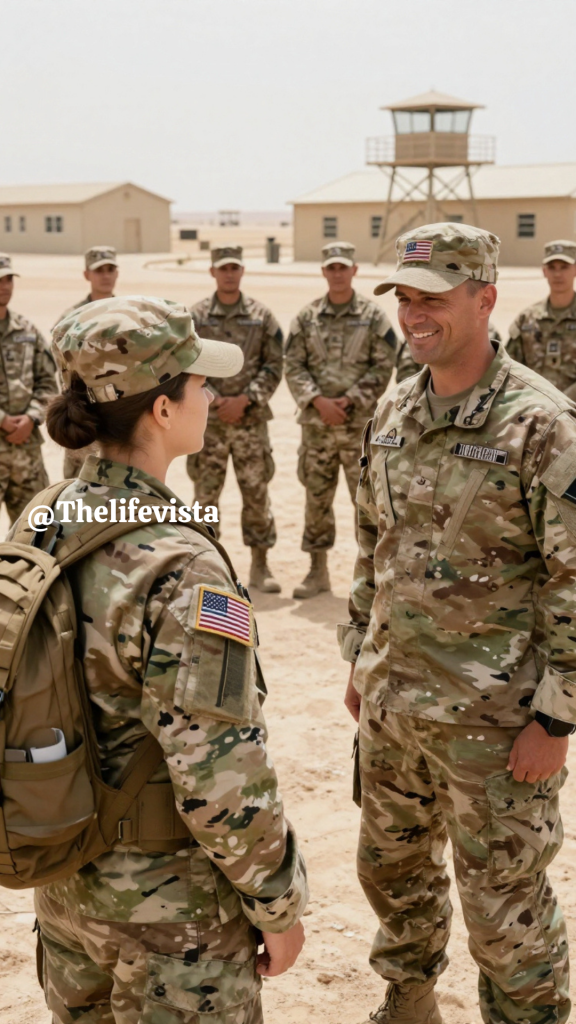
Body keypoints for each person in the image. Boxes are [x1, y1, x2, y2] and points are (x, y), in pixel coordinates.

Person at [33, 295, 307, 1024]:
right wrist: (277, 905)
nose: (210, 397)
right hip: (172, 921)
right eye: (200, 384)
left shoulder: (44, 520)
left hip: (64, 885)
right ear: (161, 409)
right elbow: (219, 770)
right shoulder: (181, 565)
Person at [340, 223, 574, 1024]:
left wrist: (556, 718)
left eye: (433, 299)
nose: (414, 315)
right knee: (393, 880)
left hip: (496, 727)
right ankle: (409, 1005)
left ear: (484, 299)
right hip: (392, 710)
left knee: (505, 912)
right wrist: (358, 657)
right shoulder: (394, 407)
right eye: (405, 298)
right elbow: (373, 544)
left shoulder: (541, 423)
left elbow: (574, 579)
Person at [285, 241, 397, 599]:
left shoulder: (373, 316)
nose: (337, 273)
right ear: (324, 271)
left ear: (354, 270)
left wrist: (349, 401)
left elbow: (384, 365)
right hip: (317, 428)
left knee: (366, 505)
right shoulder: (306, 318)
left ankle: (370, 579)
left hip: (357, 428)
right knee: (316, 499)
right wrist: (318, 401)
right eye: (331, 267)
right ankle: (317, 572)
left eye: (343, 267)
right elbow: (293, 365)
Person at [187, 246, 284, 593]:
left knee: (256, 495)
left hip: (250, 422)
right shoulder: (195, 317)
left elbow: (274, 363)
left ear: (242, 271)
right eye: (223, 268)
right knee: (205, 499)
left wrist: (247, 398)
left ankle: (260, 565)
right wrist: (213, 397)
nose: (229, 274)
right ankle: (205, 567)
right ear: (212, 271)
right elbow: (186, 363)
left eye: (234, 268)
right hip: (207, 425)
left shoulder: (262, 316)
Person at [0, 252, 58, 523]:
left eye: (9, 279)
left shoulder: (27, 330)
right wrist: (2, 420)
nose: (4, 286)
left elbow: (47, 382)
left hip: (26, 454)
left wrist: (31, 417)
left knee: (35, 531)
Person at [58, 245, 120, 478]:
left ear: (117, 273)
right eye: (99, 270)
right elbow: (61, 369)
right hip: (85, 419)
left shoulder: (131, 315)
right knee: (78, 491)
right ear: (87, 275)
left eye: (110, 269)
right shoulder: (70, 319)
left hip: (122, 419)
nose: (105, 275)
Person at [507, 239, 576, 399]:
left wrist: (564, 401)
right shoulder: (527, 319)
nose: (557, 274)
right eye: (552, 268)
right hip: (534, 407)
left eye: (564, 267)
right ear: (544, 271)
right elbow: (510, 368)